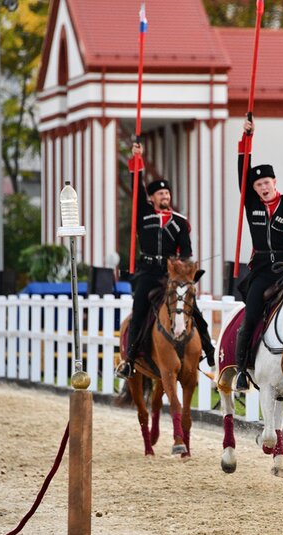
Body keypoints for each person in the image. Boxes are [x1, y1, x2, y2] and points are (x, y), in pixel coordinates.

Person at [116, 141, 216, 379]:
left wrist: (181, 264)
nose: (165, 196)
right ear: (152, 198)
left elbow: (187, 250)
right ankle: (129, 358)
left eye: (167, 193)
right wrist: (137, 160)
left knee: (194, 310)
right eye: (160, 193)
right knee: (139, 308)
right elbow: (136, 188)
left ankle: (209, 351)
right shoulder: (144, 214)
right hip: (148, 272)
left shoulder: (180, 222)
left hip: (172, 274)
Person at [233, 118, 283, 392]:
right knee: (251, 313)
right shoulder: (252, 203)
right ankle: (242, 369)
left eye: (267, 182)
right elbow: (242, 171)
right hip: (261, 270)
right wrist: (247, 140)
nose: (263, 187)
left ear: (274, 182)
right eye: (258, 185)